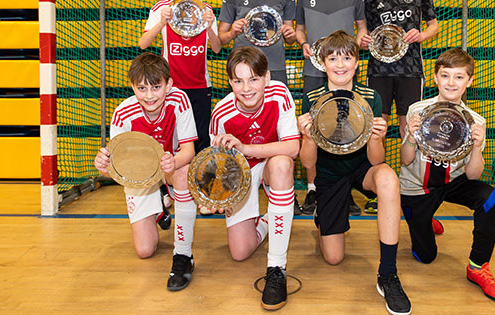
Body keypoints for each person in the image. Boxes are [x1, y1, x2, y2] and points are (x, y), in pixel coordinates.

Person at [297, 31, 411, 315]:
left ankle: (388, 273)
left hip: (361, 167)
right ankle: (323, 213)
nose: (340, 65)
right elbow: (307, 164)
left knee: (388, 178)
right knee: (334, 258)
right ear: (323, 63)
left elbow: (377, 160)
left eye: (347, 58)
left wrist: (376, 138)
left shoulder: (371, 97)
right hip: (329, 173)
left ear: (357, 63)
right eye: (333, 58)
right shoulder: (312, 98)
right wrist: (308, 137)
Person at [400, 48, 495, 303]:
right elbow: (406, 160)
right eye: (445, 75)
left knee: (490, 198)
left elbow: (473, 176)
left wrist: (476, 147)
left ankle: (478, 266)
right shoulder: (418, 110)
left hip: (454, 182)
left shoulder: (476, 121)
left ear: (469, 81)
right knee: (426, 257)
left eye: (459, 77)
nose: (451, 82)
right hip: (418, 187)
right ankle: (424, 219)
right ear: (435, 78)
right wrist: (412, 137)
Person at [93, 52, 200, 292]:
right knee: (144, 250)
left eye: (156, 87)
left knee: (183, 172)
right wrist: (105, 167)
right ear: (133, 87)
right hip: (140, 175)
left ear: (168, 85)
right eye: (142, 88)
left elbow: (189, 151)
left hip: (171, 166)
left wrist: (174, 162)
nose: (150, 95)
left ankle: (183, 255)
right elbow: (119, 171)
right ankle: (159, 204)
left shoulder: (180, 100)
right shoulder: (123, 114)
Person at [208, 46, 300, 310]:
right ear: (230, 83)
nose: (247, 88)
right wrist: (217, 197)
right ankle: (270, 219)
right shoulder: (221, 114)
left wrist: (246, 148)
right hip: (241, 173)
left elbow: (292, 147)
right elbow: (219, 166)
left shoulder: (279, 93)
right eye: (238, 81)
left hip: (270, 162)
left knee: (282, 164)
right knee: (240, 252)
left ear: (266, 78)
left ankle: (276, 267)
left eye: (254, 79)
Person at [357, 0, 439, 214]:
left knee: (409, 128)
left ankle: (409, 188)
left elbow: (434, 24)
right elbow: (362, 33)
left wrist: (422, 35)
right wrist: (362, 40)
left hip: (410, 69)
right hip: (378, 71)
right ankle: (375, 190)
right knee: (376, 129)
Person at [294, 0, 367, 216]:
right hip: (314, 72)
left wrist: (358, 45)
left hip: (343, 73)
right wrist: (303, 43)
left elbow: (362, 30)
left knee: (346, 127)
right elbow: (299, 30)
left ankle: (344, 187)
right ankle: (314, 189)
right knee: (313, 129)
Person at [139, 0, 221, 156]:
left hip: (200, 85)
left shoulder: (205, 10)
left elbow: (217, 48)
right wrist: (162, 23)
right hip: (170, 86)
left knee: (201, 139)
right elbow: (143, 44)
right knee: (172, 137)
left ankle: (199, 175)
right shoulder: (162, 8)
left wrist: (209, 27)